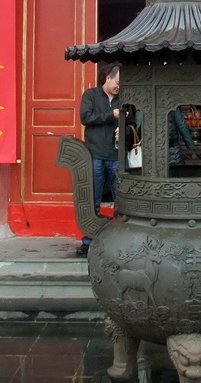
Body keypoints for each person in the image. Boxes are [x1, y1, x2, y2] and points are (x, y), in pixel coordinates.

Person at [76, 63, 122, 257]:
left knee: (121, 200)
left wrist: (125, 128)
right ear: (108, 78)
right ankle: (89, 240)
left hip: (116, 155)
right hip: (95, 154)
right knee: (92, 200)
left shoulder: (124, 98)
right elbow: (85, 117)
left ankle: (120, 239)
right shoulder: (91, 95)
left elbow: (136, 120)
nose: (119, 87)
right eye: (117, 82)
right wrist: (110, 115)